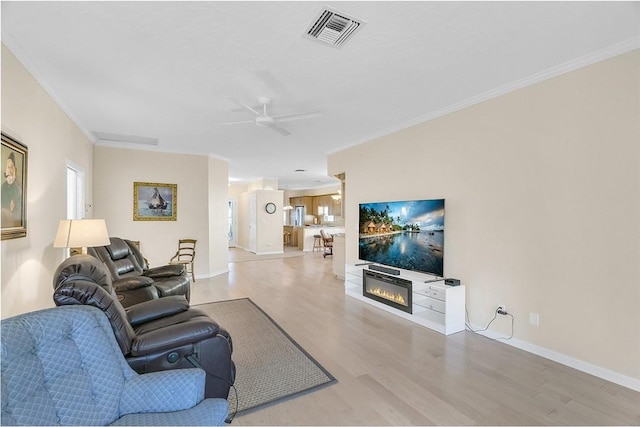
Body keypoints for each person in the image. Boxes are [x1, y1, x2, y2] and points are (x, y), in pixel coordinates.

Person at [1, 151, 22, 228]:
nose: (9, 171)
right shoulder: (2, 188)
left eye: (11, 167)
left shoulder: (18, 190)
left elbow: (20, 215)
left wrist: (12, 210)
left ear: (15, 170)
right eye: (8, 167)